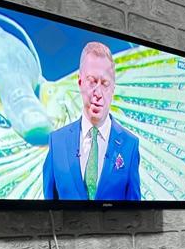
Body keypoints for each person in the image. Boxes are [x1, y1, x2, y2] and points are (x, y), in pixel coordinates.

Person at [42, 41, 141, 201]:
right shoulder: (57, 142)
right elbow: (49, 208)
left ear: (113, 88)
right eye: (92, 81)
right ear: (80, 82)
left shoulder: (129, 145)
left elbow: (134, 210)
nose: (98, 93)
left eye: (105, 84)